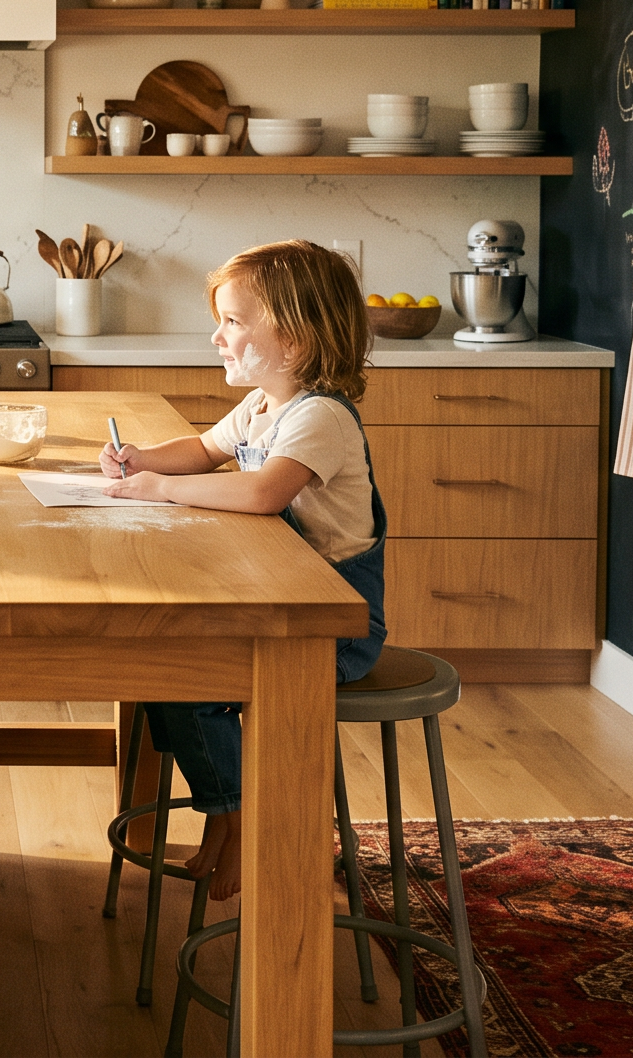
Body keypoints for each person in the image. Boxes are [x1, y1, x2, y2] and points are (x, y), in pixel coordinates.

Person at [97, 239, 387, 901]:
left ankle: (242, 818)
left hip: (333, 626)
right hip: (274, 598)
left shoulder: (318, 416)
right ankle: (226, 814)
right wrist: (141, 460)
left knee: (192, 677)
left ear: (293, 339)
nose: (217, 335)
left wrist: (160, 491)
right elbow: (202, 451)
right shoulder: (263, 403)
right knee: (165, 668)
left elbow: (263, 493)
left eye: (233, 321)